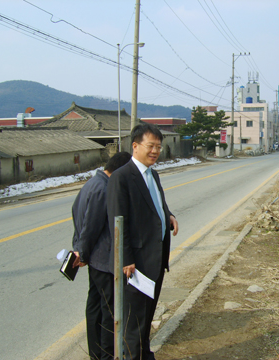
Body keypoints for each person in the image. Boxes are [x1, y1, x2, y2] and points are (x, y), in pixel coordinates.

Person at [107, 123, 179, 360]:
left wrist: (169, 216)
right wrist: (126, 258)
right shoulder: (121, 177)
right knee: (134, 321)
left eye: (159, 146)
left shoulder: (153, 174)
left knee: (146, 317)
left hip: (155, 259)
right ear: (135, 146)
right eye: (151, 146)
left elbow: (156, 203)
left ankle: (144, 354)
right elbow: (118, 221)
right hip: (135, 264)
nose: (155, 151)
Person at [72, 151, 132, 360]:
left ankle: (96, 353)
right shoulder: (105, 189)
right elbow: (91, 226)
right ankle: (106, 354)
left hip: (94, 260)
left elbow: (76, 215)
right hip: (103, 261)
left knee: (95, 307)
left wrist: (79, 249)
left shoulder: (91, 183)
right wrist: (83, 252)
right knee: (108, 311)